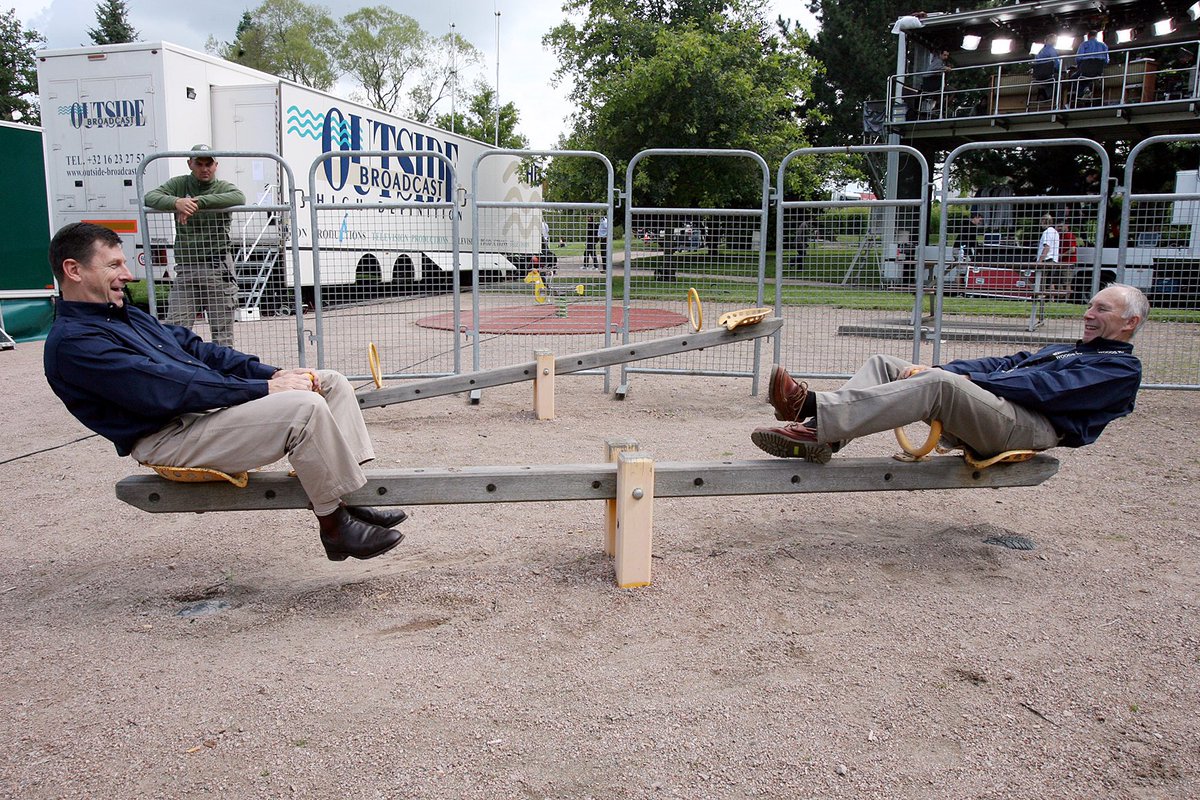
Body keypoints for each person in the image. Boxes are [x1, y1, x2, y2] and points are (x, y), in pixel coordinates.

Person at [43, 222, 407, 563]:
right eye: (114, 265)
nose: (127, 274)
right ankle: (334, 527)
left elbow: (200, 351)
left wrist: (274, 373)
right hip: (167, 437)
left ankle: (348, 500)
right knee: (305, 408)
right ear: (74, 270)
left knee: (327, 382)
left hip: (198, 416)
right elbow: (169, 387)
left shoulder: (123, 315)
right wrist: (264, 389)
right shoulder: (75, 344)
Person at [750, 284, 1149, 463]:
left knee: (940, 385)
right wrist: (939, 368)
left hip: (1031, 426)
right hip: (1001, 409)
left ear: (1129, 323)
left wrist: (963, 381)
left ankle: (812, 407)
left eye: (1102, 310)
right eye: (1091, 306)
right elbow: (1002, 364)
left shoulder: (1119, 369)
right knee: (889, 365)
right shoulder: (1065, 349)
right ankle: (821, 437)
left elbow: (1047, 389)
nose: (1088, 314)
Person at [143, 144, 245, 347]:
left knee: (222, 334)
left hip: (217, 268)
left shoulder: (223, 187)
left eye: (209, 164)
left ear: (216, 165)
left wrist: (197, 202)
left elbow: (239, 197)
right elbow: (149, 197)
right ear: (190, 164)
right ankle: (178, 373)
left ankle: (222, 376)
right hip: (186, 268)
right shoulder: (179, 184)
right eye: (199, 163)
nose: (204, 168)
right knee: (175, 329)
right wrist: (176, 202)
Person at [1073, 30, 1110, 102]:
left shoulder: (1084, 45)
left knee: (1073, 78)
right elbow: (1106, 61)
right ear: (1096, 36)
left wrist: (1079, 65)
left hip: (1085, 70)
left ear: (1088, 36)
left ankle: (1082, 96)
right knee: (1089, 78)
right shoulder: (1103, 45)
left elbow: (1078, 58)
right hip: (1098, 72)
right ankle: (1087, 91)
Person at [1033, 34, 1061, 102]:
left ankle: (1046, 95)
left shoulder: (1040, 52)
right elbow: (1057, 65)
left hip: (1038, 77)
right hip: (1049, 76)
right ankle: (1056, 100)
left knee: (1051, 79)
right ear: (1054, 41)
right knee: (1059, 78)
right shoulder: (1051, 50)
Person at [1037, 213, 1060, 289]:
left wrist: (1040, 260)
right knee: (1050, 281)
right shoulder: (1055, 232)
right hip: (1054, 260)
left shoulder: (1047, 232)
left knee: (1042, 280)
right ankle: (1051, 299)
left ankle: (1042, 297)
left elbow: (1047, 247)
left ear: (1044, 221)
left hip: (1047, 259)